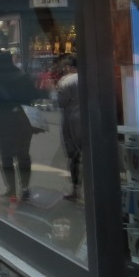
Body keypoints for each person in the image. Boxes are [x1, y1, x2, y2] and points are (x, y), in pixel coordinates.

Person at [0, 50, 40, 201]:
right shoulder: (22, 76)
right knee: (23, 154)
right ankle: (25, 188)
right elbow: (34, 96)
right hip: (22, 118)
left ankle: (11, 189)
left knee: (6, 155)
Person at [54, 55, 81, 201]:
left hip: (72, 121)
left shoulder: (66, 81)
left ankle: (75, 189)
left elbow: (61, 103)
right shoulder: (90, 77)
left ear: (69, 67)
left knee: (74, 155)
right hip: (91, 119)